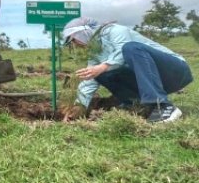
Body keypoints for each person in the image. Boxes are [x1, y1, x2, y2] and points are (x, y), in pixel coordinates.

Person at [63, 17, 192, 123]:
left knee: (131, 48)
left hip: (175, 72)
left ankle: (163, 106)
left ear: (83, 32)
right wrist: (78, 107)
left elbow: (121, 51)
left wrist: (102, 67)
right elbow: (89, 79)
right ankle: (137, 105)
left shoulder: (115, 31)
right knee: (100, 74)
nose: (75, 45)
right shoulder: (95, 53)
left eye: (73, 40)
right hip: (152, 80)